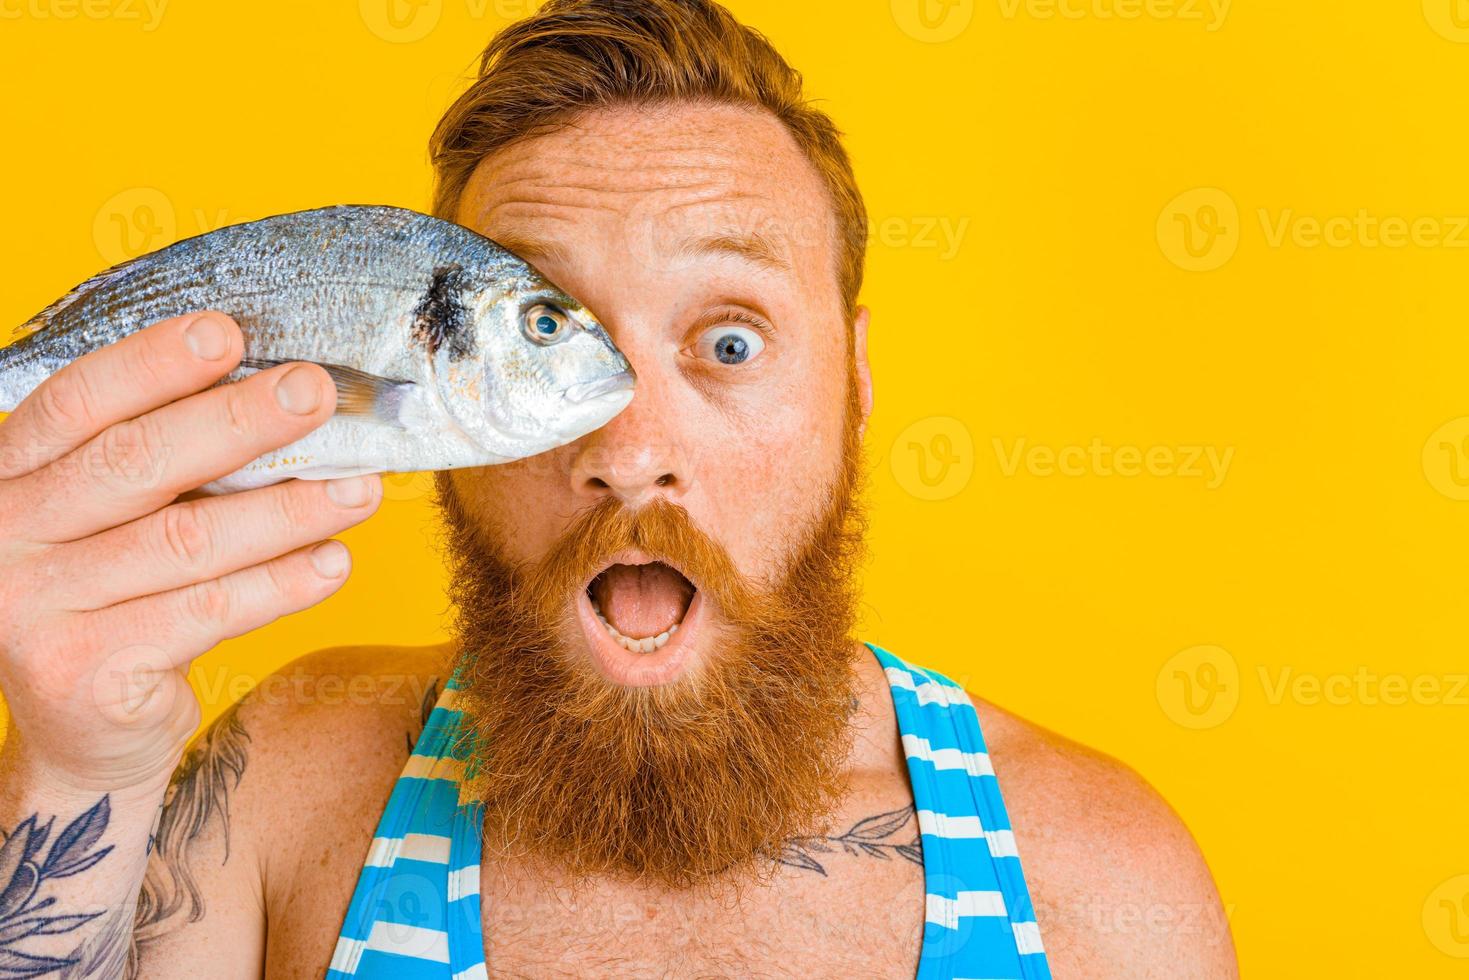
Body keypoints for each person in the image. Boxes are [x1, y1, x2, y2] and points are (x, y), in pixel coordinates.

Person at [0, 1, 1237, 976]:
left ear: (854, 384)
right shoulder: (283, 786)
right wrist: (74, 769)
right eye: (553, 331)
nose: (629, 445)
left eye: (730, 342)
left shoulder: (1100, 883)